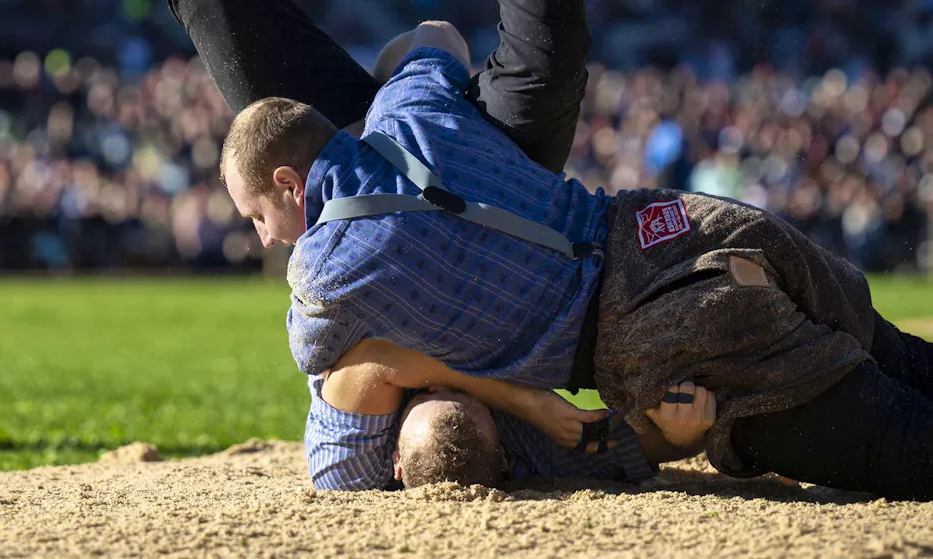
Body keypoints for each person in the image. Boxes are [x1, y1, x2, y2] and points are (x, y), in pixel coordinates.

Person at [172, 2, 933, 500]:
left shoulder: (320, 277)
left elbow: (354, 376)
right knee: (898, 353)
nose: (263, 238)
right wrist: (392, 103)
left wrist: (540, 406)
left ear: (288, 184)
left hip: (661, 331)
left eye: (258, 215)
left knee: (903, 440)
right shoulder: (411, 110)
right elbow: (435, 36)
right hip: (678, 221)